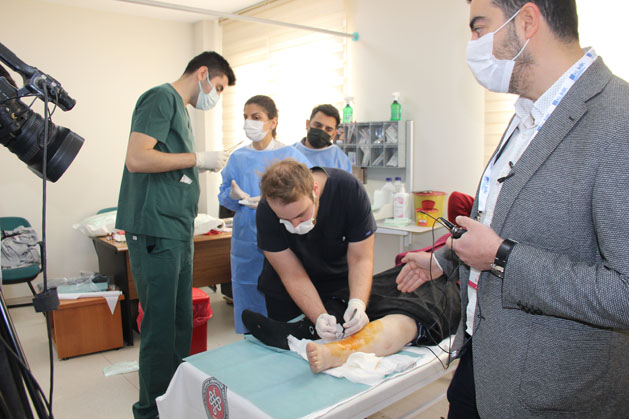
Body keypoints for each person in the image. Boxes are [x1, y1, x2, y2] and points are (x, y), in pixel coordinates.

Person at [397, 1, 629, 418]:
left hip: (553, 393)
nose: (472, 43)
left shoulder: (618, 121)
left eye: (478, 27)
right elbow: (510, 223)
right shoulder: (529, 114)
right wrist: (447, 259)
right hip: (483, 361)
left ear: (526, 21)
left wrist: (502, 257)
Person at [115, 51, 235, 419]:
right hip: (155, 228)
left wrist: (196, 166)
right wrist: (197, 158)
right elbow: (138, 158)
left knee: (181, 322)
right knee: (161, 326)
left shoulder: (180, 110)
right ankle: (150, 411)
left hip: (176, 228)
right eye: (217, 87)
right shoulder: (160, 97)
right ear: (203, 73)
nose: (216, 96)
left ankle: (175, 402)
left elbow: (167, 165)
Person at [243, 262, 460, 373]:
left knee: (413, 311)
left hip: (454, 281)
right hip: (414, 268)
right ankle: (304, 329)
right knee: (359, 295)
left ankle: (340, 351)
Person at [218, 95, 311, 333]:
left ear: (273, 121)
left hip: (282, 237)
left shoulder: (291, 156)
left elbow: (308, 193)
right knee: (249, 296)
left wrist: (270, 203)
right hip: (246, 241)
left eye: (256, 117)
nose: (249, 122)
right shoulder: (238, 158)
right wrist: (234, 196)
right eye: (246, 117)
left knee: (283, 294)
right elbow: (224, 196)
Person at [255, 159, 375, 341]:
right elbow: (292, 275)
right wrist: (319, 316)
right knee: (293, 348)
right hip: (287, 293)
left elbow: (361, 258)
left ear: (315, 190)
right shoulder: (266, 210)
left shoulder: (348, 190)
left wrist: (357, 302)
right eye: (285, 220)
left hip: (338, 285)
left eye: (301, 215)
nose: (295, 226)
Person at [292, 104, 352, 173]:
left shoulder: (340, 160)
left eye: (328, 129)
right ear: (307, 124)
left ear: (334, 134)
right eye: (318, 125)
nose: (322, 131)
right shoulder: (291, 153)